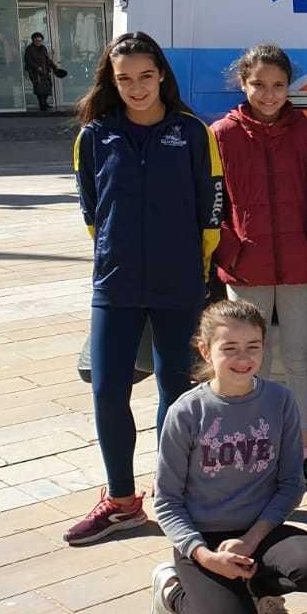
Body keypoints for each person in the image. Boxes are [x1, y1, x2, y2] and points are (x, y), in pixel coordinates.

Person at [65, 32, 222, 546]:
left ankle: (172, 493)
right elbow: (92, 210)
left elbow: (211, 208)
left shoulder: (193, 132)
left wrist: (196, 272)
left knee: (175, 392)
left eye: (145, 76)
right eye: (124, 78)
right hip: (116, 283)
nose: (136, 87)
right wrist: (113, 252)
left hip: (179, 282)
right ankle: (120, 500)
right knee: (108, 389)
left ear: (162, 76)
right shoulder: (94, 136)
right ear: (112, 80)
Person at [149, 300, 307, 614]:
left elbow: (290, 485)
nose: (243, 358)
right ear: (206, 350)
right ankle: (173, 590)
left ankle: (257, 590)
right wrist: (201, 554)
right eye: (229, 349)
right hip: (203, 541)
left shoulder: (279, 400)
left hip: (259, 533)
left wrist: (252, 540)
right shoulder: (186, 413)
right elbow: (166, 502)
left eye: (253, 346)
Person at [211, 44, 307, 491]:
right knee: (248, 364)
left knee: (299, 360)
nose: (268, 94)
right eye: (258, 84)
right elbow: (209, 201)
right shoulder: (221, 133)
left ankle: (305, 455)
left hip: (300, 266)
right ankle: (255, 454)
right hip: (246, 269)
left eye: (278, 85)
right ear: (243, 83)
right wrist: (230, 251)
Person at [23, 32, 65, 112]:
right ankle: (42, 105)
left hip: (45, 70)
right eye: (37, 40)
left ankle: (45, 103)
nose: (38, 42)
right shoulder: (29, 49)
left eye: (40, 40)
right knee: (39, 88)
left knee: (47, 87)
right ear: (33, 40)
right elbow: (28, 61)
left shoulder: (43, 48)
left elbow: (47, 59)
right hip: (35, 73)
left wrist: (54, 67)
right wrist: (37, 67)